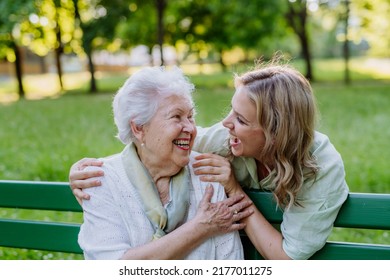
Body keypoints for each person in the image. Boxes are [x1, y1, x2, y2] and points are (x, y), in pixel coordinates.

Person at [70, 60, 349, 260]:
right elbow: (155, 144)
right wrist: (85, 174)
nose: (225, 123)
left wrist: (233, 190)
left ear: (275, 132)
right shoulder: (222, 140)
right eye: (231, 111)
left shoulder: (320, 168)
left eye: (240, 120)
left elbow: (283, 260)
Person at [73, 66, 252, 260]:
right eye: (176, 117)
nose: (191, 128)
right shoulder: (99, 179)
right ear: (139, 128)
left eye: (190, 116)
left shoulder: (207, 174)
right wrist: (201, 226)